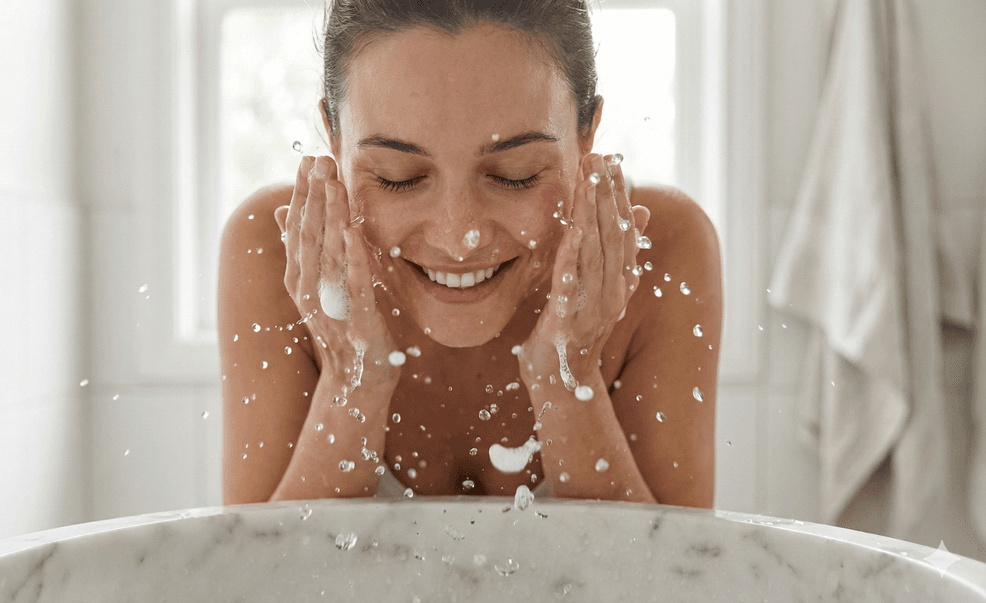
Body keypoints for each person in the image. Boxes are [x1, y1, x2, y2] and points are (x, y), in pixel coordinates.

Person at [218, 0, 722, 507]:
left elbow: (663, 582)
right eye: (399, 178)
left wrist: (568, 377)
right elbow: (269, 580)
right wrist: (353, 377)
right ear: (335, 135)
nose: (459, 237)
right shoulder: (274, 251)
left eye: (515, 174)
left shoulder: (663, 250)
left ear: (585, 133)